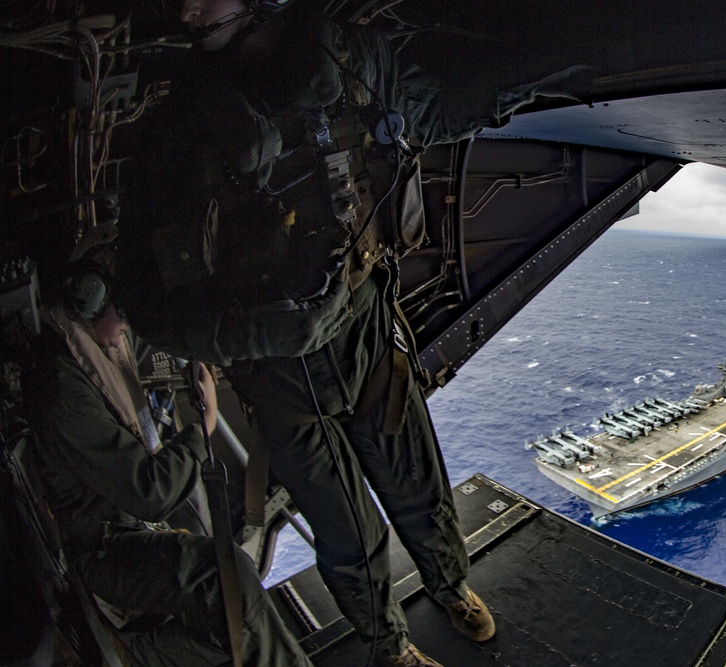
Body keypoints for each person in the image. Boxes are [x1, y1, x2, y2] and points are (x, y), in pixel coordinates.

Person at [115, 2, 586, 665]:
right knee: (341, 526)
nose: (188, 9)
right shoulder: (176, 132)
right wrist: (248, 333)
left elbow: (430, 111)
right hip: (275, 369)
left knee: (414, 476)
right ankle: (388, 645)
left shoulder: (350, 62)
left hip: (360, 324)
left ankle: (450, 583)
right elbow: (142, 296)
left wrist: (555, 62)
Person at [22, 265, 313, 667]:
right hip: (104, 554)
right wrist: (202, 430)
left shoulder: (98, 343)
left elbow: (159, 339)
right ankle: (135, 657)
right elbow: (149, 492)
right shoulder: (61, 388)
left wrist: (193, 355)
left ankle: (138, 656)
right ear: (89, 303)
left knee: (234, 607)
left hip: (132, 535)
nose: (129, 326)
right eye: (124, 313)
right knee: (225, 582)